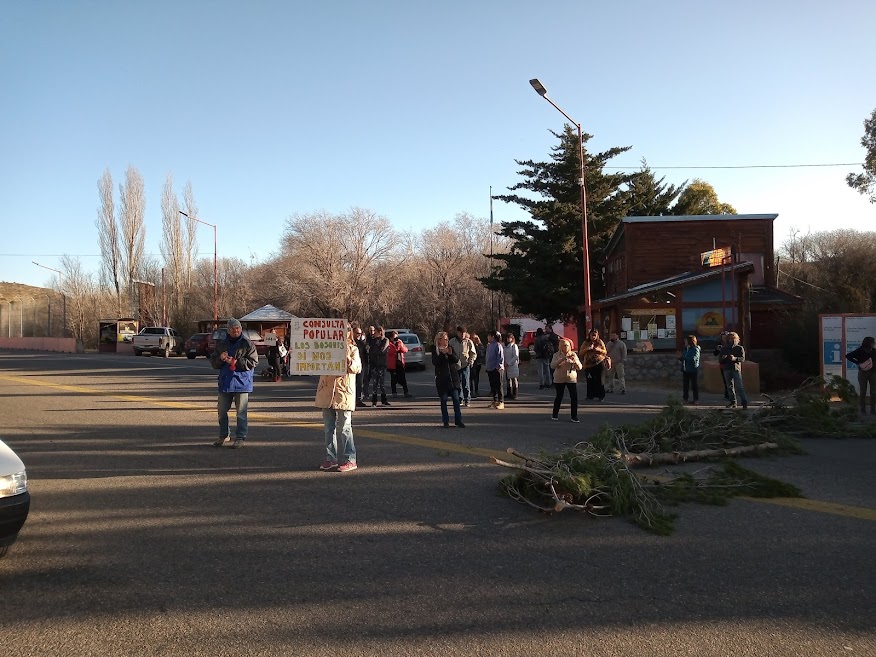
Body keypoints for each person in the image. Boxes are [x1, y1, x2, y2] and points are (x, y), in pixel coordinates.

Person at [314, 327, 362, 472]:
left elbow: (357, 367)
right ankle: (331, 458)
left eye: (345, 330)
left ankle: (350, 459)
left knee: (345, 427)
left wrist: (348, 359)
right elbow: (313, 363)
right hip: (326, 392)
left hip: (343, 393)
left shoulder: (353, 349)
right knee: (329, 428)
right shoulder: (325, 348)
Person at [209, 318, 259, 448]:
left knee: (241, 413)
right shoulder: (222, 344)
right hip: (225, 382)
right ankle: (224, 435)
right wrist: (221, 358)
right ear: (228, 330)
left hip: (242, 383)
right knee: (221, 411)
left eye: (237, 328)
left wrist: (237, 362)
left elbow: (253, 362)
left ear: (241, 329)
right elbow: (213, 362)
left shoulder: (247, 344)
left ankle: (241, 437)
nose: (235, 330)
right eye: (232, 329)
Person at [432, 331, 465, 428]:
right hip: (442, 380)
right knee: (443, 400)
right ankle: (445, 421)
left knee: (456, 400)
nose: (446, 341)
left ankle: (458, 420)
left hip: (453, 379)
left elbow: (456, 360)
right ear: (439, 340)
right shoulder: (435, 350)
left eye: (447, 339)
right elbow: (435, 362)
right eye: (444, 339)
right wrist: (442, 354)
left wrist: (450, 354)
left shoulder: (451, 348)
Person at [550, 337, 582, 422]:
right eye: (564, 345)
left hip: (571, 378)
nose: (566, 347)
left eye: (568, 345)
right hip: (559, 378)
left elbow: (580, 367)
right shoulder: (556, 355)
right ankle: (555, 414)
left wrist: (574, 361)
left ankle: (574, 416)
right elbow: (553, 366)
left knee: (574, 397)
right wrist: (563, 359)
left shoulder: (573, 354)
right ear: (560, 346)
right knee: (559, 396)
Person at [846, 336, 875, 415]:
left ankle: (873, 410)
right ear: (868, 343)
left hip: (873, 373)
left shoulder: (874, 351)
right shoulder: (860, 350)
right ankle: (863, 410)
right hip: (863, 373)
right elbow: (848, 356)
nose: (874, 343)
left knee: (874, 392)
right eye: (873, 342)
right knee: (863, 391)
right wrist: (858, 363)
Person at [719, 331, 748, 409]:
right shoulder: (724, 348)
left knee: (739, 386)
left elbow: (743, 358)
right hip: (727, 368)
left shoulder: (739, 348)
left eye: (734, 338)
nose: (732, 340)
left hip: (736, 368)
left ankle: (744, 402)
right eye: (730, 338)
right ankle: (733, 402)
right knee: (729, 386)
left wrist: (735, 358)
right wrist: (724, 358)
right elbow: (720, 360)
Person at [449, 326, 477, 407]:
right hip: (455, 365)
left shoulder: (468, 342)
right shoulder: (452, 341)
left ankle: (467, 399)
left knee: (466, 383)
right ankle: (460, 399)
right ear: (457, 332)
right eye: (461, 333)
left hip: (465, 365)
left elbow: (473, 353)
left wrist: (470, 361)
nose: (462, 335)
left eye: (464, 333)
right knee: (457, 384)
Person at [579, 328, 607, 401]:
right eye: (592, 335)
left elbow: (605, 351)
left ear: (597, 335)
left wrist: (598, 350)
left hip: (599, 363)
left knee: (600, 380)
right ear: (590, 335)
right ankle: (590, 395)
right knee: (590, 380)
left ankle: (601, 396)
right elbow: (580, 353)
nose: (593, 336)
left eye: (595, 335)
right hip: (588, 364)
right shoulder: (585, 342)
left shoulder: (600, 342)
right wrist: (587, 349)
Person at [367, 325, 390, 406]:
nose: (374, 334)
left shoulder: (385, 340)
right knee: (374, 383)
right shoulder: (373, 341)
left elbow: (382, 350)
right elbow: (370, 351)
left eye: (375, 332)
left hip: (381, 364)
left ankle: (384, 399)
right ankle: (374, 400)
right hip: (374, 364)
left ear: (380, 332)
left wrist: (374, 352)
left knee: (382, 383)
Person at [387, 330, 412, 398]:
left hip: (400, 363)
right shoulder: (388, 343)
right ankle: (394, 392)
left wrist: (400, 345)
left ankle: (406, 392)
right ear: (391, 337)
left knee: (403, 378)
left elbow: (405, 350)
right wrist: (397, 347)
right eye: (394, 337)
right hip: (392, 364)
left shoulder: (399, 342)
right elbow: (391, 351)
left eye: (396, 337)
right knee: (393, 379)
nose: (396, 339)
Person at [485, 330, 505, 409]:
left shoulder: (498, 345)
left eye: (489, 335)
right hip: (490, 368)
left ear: (493, 336)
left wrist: (498, 366)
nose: (487, 337)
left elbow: (500, 357)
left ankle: (501, 401)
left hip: (497, 369)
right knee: (492, 386)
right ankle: (495, 400)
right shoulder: (489, 345)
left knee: (499, 385)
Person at [679, 335, 701, 405]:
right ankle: (685, 399)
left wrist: (684, 358)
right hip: (685, 369)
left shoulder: (695, 348)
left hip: (693, 369)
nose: (684, 342)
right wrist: (681, 358)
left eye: (686, 341)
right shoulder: (685, 349)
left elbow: (693, 358)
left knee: (694, 385)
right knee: (685, 385)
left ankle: (696, 399)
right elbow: (684, 356)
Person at [352, 324, 369, 407]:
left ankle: (359, 399)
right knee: (351, 383)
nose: (359, 335)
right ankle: (352, 399)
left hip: (361, 365)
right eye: (357, 333)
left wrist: (366, 364)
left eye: (360, 333)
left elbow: (365, 354)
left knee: (360, 383)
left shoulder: (362, 343)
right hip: (351, 366)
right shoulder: (350, 343)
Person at [713, 332, 731, 400]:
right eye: (722, 337)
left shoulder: (730, 344)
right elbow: (715, 354)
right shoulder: (719, 344)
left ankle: (730, 395)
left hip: (730, 363)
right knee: (725, 380)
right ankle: (727, 395)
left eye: (725, 337)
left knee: (730, 380)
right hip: (723, 364)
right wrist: (717, 349)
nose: (723, 338)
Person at [504, 333, 520, 399]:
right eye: (507, 338)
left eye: (510, 338)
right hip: (506, 365)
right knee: (508, 379)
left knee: (514, 379)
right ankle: (509, 393)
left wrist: (509, 363)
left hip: (513, 365)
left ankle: (515, 393)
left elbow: (516, 356)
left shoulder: (514, 346)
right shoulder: (504, 346)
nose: (508, 339)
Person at [470, 333, 485, 399]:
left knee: (476, 377)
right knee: (470, 377)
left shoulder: (480, 345)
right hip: (471, 362)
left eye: (474, 338)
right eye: (472, 338)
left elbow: (481, 354)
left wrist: (477, 347)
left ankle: (476, 390)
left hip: (478, 363)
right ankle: (471, 390)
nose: (473, 340)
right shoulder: (470, 344)